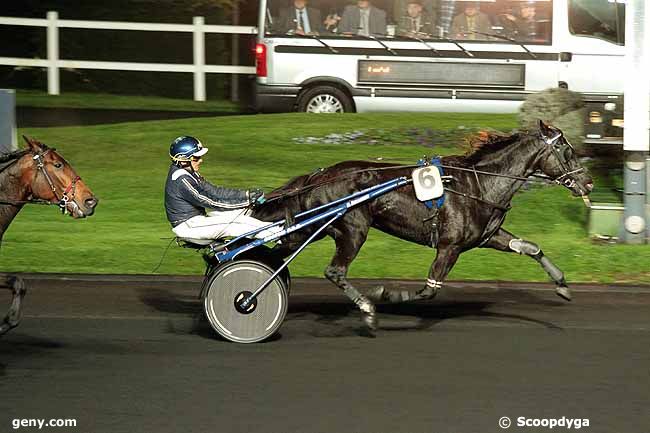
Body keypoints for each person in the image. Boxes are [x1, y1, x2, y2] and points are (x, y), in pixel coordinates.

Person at [164, 136, 282, 243]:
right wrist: (247, 201)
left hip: (197, 220)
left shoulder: (189, 172)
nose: (201, 160)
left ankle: (277, 230)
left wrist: (246, 195)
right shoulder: (182, 180)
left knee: (245, 212)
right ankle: (281, 235)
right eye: (196, 158)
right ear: (183, 160)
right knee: (237, 222)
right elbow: (212, 202)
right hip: (189, 225)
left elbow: (216, 192)